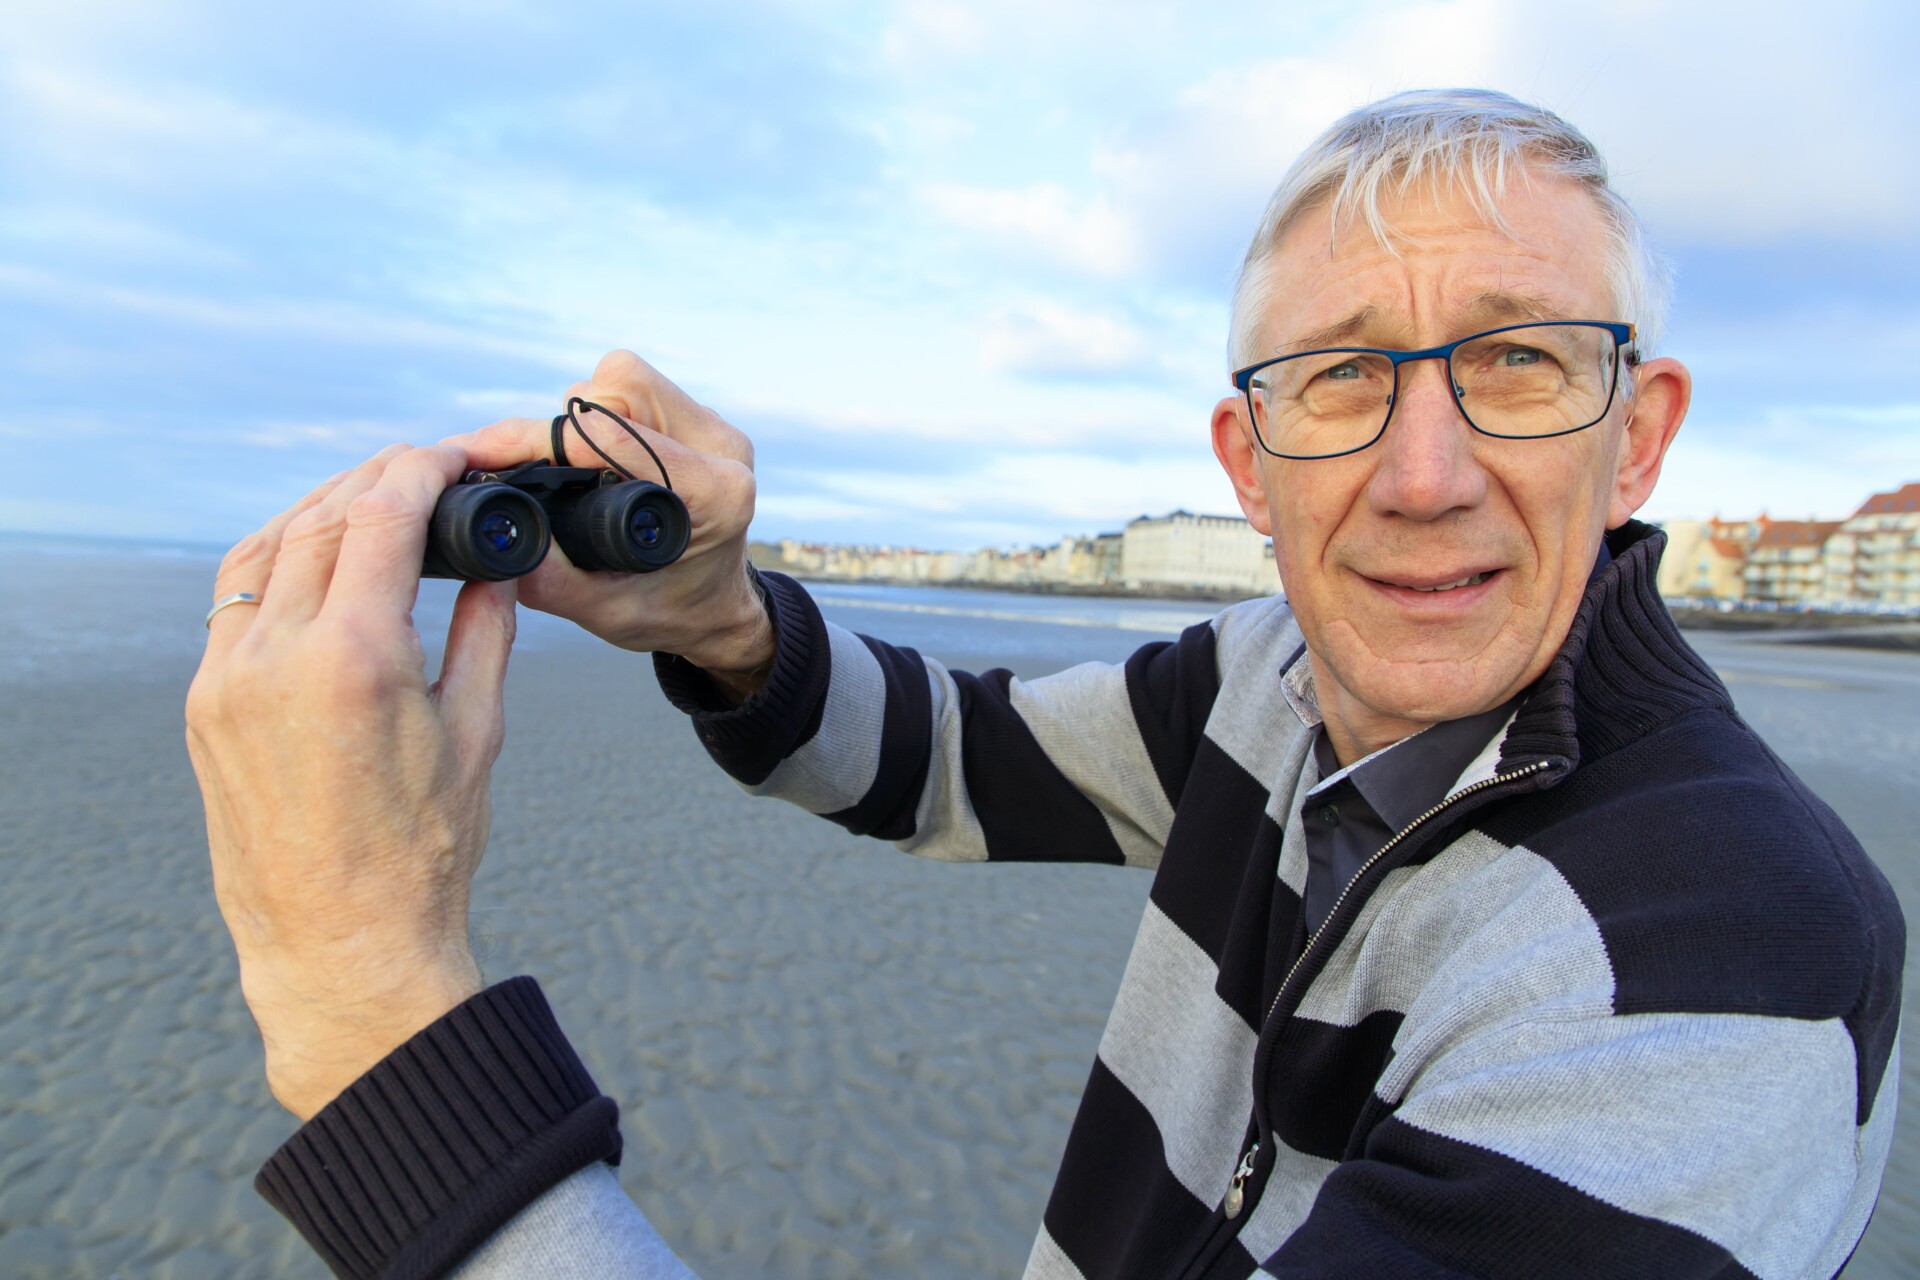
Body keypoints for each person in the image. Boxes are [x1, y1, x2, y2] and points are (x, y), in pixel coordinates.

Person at [186, 89, 1902, 1280]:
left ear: (1639, 440)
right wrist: (714, 616)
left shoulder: (1711, 966)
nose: (1425, 472)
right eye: (1339, 379)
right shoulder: (1272, 684)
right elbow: (940, 759)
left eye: (1519, 360)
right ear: (1249, 460)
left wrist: (369, 1003)